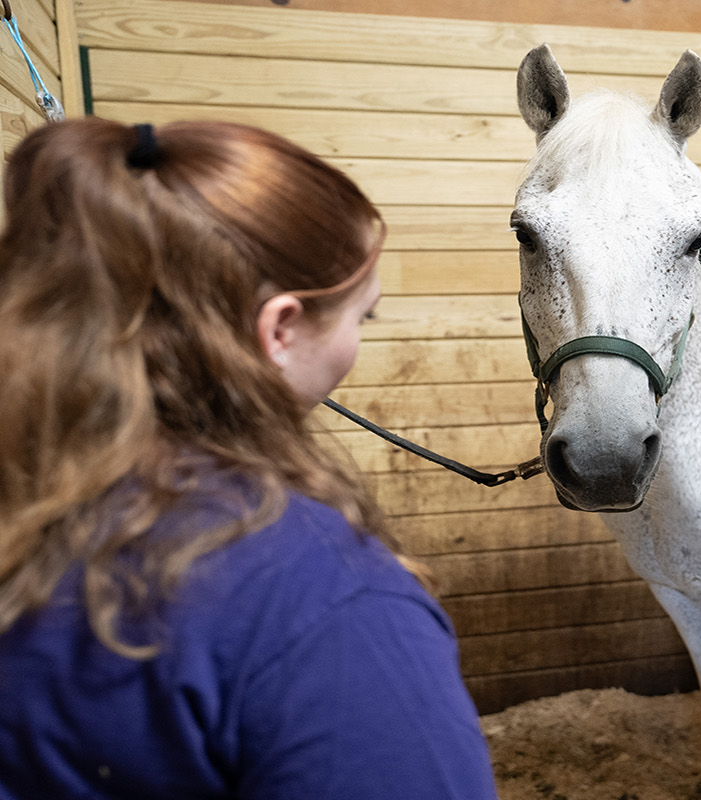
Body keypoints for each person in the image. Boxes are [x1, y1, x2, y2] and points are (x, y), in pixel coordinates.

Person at [0, 118, 500, 799]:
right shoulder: (329, 603)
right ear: (281, 329)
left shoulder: (31, 493)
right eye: (364, 317)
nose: (359, 339)